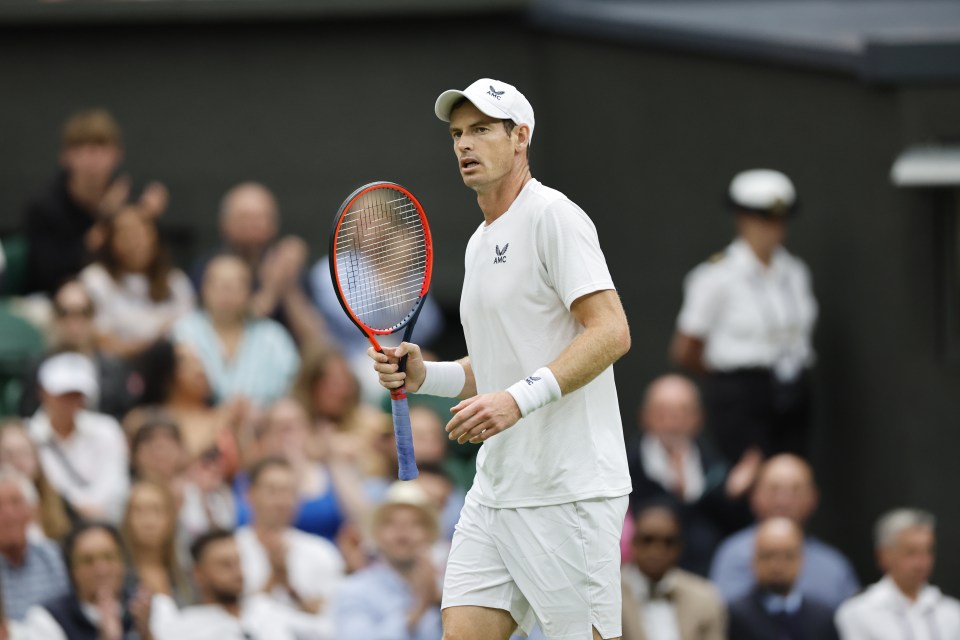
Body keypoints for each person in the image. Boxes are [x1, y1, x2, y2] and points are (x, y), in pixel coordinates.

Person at [370, 77, 632, 640]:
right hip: (497, 490)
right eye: (458, 133)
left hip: (569, 490)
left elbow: (611, 332)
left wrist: (517, 401)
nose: (465, 144)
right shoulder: (478, 240)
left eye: (483, 130)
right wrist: (424, 375)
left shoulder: (554, 217)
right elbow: (494, 368)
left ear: (520, 138)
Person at [670, 169, 817, 462]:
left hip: (792, 389)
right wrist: (731, 379)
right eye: (763, 219)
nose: (772, 229)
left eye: (779, 220)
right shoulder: (716, 275)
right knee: (748, 480)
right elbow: (685, 348)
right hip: (741, 394)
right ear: (742, 219)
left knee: (791, 473)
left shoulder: (795, 272)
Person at [21, 108, 168, 297]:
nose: (91, 159)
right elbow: (49, 273)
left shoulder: (129, 201)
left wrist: (148, 219)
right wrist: (103, 221)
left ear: (117, 154)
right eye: (81, 150)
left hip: (118, 299)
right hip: (56, 302)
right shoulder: (42, 206)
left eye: (100, 149)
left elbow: (153, 263)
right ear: (65, 156)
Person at [627, 374, 757, 575]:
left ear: (699, 417)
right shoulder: (624, 468)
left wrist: (732, 496)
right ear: (644, 416)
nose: (672, 421)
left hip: (705, 577)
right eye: (662, 412)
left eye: (682, 411)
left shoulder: (718, 468)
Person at [709, 454, 858, 609]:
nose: (783, 501)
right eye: (774, 489)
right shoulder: (731, 555)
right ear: (754, 496)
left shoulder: (834, 568)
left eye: (795, 490)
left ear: (813, 499)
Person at [190, 182, 325, 347]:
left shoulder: (284, 263)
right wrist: (271, 290)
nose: (253, 225)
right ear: (224, 223)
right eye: (244, 217)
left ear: (274, 225)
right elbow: (224, 323)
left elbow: (314, 338)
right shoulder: (209, 266)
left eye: (261, 218)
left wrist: (288, 286)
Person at [235, 457, 344, 639]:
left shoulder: (322, 551)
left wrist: (292, 591)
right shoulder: (231, 549)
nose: (282, 501)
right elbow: (231, 614)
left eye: (289, 492)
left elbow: (334, 615)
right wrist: (274, 579)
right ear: (250, 495)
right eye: (272, 491)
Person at [174, 254, 299, 407]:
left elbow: (293, 388)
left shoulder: (273, 336)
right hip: (199, 422)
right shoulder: (182, 331)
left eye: (235, 285)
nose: (226, 292)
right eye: (219, 284)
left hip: (263, 425)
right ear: (203, 289)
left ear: (249, 291)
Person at [235, 398, 367, 542]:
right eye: (279, 428)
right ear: (267, 435)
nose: (286, 435)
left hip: (329, 555)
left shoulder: (330, 468)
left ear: (307, 430)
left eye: (292, 426)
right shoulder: (252, 474)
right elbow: (243, 521)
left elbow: (361, 516)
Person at [80, 204, 195, 359]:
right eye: (125, 233)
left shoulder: (176, 282)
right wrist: (156, 339)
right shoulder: (94, 280)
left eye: (141, 231)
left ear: (154, 236)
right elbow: (102, 343)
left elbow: (187, 338)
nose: (134, 240)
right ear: (111, 240)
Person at [27, 352, 130, 523]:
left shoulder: (107, 430)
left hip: (104, 524)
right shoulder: (27, 436)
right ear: (42, 392)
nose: (70, 401)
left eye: (77, 394)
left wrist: (93, 510)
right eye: (62, 394)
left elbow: (117, 485)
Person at [334, 481, 442, 639]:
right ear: (376, 534)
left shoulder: (448, 589)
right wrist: (419, 609)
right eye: (391, 523)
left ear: (430, 534)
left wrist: (438, 602)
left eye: (415, 523)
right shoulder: (353, 590)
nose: (403, 530)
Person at [19, 279, 138, 420]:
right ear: (55, 318)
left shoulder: (113, 368)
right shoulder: (38, 367)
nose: (74, 323)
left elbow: (123, 415)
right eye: (65, 313)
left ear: (93, 317)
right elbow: (27, 416)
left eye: (83, 312)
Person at [836, 509, 960, 639]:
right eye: (911, 553)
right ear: (884, 555)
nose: (921, 562)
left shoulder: (953, 612)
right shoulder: (858, 612)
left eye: (927, 551)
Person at [150, 529, 295, 640]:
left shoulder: (265, 608)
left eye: (238, 562)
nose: (237, 573)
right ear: (198, 574)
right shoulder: (183, 627)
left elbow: (316, 627)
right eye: (225, 565)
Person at [23, 521, 152, 640]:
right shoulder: (46, 618)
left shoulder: (152, 607)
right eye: (88, 561)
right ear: (72, 570)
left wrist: (146, 634)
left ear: (123, 563)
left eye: (109, 557)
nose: (102, 569)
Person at [621, 502, 726, 640]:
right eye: (648, 540)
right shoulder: (610, 594)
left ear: (680, 547)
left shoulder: (705, 598)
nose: (657, 550)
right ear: (633, 542)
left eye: (668, 542)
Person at [727, 517, 839, 639]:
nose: (777, 566)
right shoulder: (735, 616)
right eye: (768, 556)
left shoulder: (822, 618)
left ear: (802, 560)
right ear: (753, 561)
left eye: (788, 556)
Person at [0, 466, 70, 621]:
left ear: (32, 511)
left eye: (16, 503)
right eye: (0, 506)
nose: (8, 514)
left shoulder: (53, 556)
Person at [120, 481, 191, 604]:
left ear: (171, 519)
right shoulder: (119, 578)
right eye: (139, 511)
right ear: (127, 520)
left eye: (157, 510)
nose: (149, 521)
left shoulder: (186, 577)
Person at [0, 421, 72, 541]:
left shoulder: (59, 501)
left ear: (36, 459)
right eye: (8, 454)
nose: (17, 462)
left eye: (24, 453)